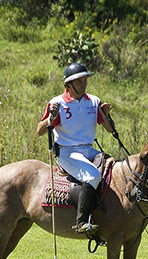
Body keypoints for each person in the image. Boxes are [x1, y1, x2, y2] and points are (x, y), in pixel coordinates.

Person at [37, 62, 114, 234]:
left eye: (85, 80)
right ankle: (81, 222)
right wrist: (51, 118)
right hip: (68, 152)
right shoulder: (57, 103)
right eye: (79, 81)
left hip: (89, 149)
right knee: (93, 176)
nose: (84, 84)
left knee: (114, 170)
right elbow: (40, 131)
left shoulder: (94, 101)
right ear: (68, 85)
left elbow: (109, 130)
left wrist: (106, 116)